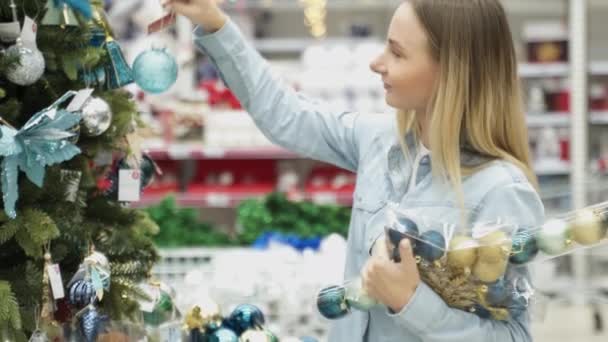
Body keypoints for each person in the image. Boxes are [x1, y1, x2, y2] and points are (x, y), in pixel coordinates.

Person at [164, 0, 544, 341]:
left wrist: (412, 302)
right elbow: (287, 115)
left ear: (450, 73)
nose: (376, 63)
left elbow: (513, 334)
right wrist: (216, 24)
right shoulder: (380, 140)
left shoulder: (500, 192)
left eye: (396, 53)